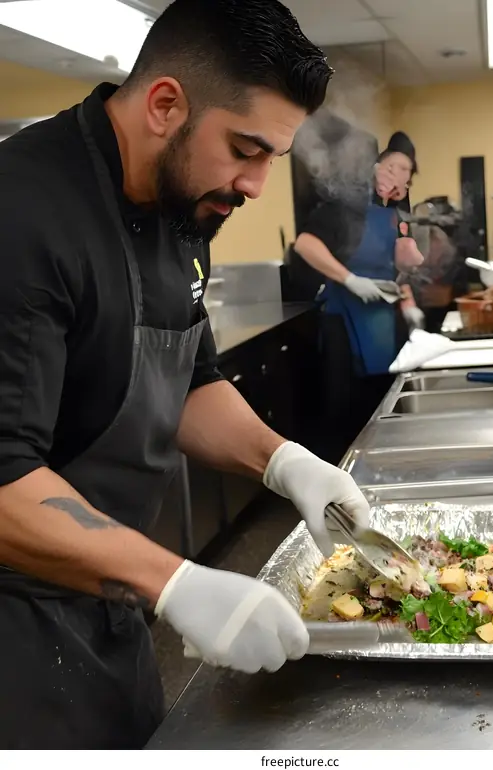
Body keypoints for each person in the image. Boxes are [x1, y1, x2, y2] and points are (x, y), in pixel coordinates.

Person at [0, 0, 372, 750]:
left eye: (273, 157)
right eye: (246, 149)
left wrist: (285, 463)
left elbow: (191, 381)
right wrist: (173, 580)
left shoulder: (181, 213)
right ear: (167, 104)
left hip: (110, 608)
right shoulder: (21, 212)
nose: (258, 184)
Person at [293, 133, 424, 443]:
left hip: (382, 322)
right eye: (393, 167)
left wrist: (410, 305)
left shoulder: (396, 215)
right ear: (377, 166)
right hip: (345, 320)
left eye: (406, 172)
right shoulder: (346, 205)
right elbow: (305, 244)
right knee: (346, 410)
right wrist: (351, 280)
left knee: (383, 403)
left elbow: (397, 271)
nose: (397, 176)